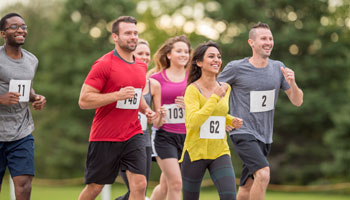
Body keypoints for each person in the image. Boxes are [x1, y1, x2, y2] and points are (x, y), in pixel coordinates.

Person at [217, 22, 303, 200]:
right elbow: (212, 92)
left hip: (264, 136)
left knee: (246, 189)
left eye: (270, 38)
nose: (268, 42)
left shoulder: (278, 68)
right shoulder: (236, 68)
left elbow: (297, 101)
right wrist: (222, 119)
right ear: (251, 43)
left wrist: (292, 82)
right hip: (242, 131)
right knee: (263, 174)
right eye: (263, 38)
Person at [78, 16, 156, 200]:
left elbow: (135, 96)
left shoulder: (140, 65)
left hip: (133, 133)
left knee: (140, 185)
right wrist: (116, 95)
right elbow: (84, 100)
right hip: (105, 135)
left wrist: (146, 110)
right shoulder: (104, 64)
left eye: (135, 33)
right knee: (95, 187)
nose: (133, 37)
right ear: (115, 37)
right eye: (128, 33)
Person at [180, 41, 243, 200]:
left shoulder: (225, 88)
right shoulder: (192, 90)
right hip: (195, 152)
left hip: (219, 151)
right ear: (199, 62)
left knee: (229, 197)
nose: (217, 60)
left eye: (219, 57)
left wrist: (229, 120)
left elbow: (217, 114)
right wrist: (215, 97)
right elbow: (193, 121)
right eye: (211, 56)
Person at [0, 13, 46, 200]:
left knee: (24, 184)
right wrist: (1, 99)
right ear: (3, 33)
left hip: (21, 131)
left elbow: (26, 87)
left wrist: (36, 97)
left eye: (23, 27)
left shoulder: (31, 60)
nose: (20, 30)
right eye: (14, 27)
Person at [115, 39, 162, 200]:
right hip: (123, 139)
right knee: (136, 188)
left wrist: (157, 115)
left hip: (144, 140)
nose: (145, 57)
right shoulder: (121, 78)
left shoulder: (154, 85)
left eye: (147, 54)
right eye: (140, 53)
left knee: (139, 190)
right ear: (131, 55)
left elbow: (156, 121)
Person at [150, 35, 191, 200]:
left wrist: (189, 106)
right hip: (164, 135)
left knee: (166, 185)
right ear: (168, 55)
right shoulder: (154, 79)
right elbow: (149, 113)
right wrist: (158, 115)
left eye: (186, 51)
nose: (184, 54)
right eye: (179, 51)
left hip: (188, 137)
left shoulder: (195, 78)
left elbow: (203, 107)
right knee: (176, 183)